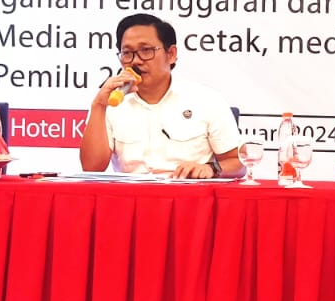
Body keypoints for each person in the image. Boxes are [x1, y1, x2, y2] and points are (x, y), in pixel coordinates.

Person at [80, 13, 242, 178]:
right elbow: (92, 168)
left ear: (171, 54)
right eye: (127, 53)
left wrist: (210, 168)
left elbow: (238, 163)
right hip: (130, 192)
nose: (135, 61)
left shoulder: (207, 100)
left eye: (146, 50)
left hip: (186, 191)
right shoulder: (112, 102)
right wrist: (98, 105)